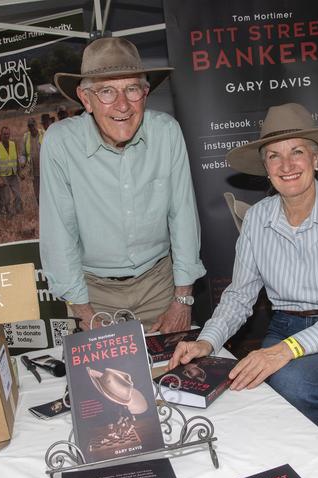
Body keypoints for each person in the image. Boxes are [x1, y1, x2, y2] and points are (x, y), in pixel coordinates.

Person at [169, 103, 318, 441]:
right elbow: (239, 296)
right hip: (286, 323)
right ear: (265, 167)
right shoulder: (257, 219)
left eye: (297, 151)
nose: (286, 165)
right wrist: (206, 341)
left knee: (294, 381)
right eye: (274, 156)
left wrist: (287, 350)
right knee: (247, 386)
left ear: (316, 159)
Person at [40, 37, 205, 332]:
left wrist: (183, 299)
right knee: (106, 378)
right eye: (106, 91)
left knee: (171, 375)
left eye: (131, 89)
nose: (122, 105)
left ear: (145, 93)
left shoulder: (166, 132)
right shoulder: (60, 142)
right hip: (92, 292)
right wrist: (82, 311)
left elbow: (183, 216)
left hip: (160, 286)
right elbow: (58, 233)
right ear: (85, 99)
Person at [0, 126, 23, 217]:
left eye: (7, 134)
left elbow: (16, 160)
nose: (6, 136)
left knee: (18, 196)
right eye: (4, 134)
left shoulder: (13, 144)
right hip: (4, 176)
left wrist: (20, 173)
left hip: (13, 174)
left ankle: (18, 213)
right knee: (7, 199)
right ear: (1, 135)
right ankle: (10, 215)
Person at [22, 117, 45, 203]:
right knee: (37, 191)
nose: (31, 128)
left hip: (44, 168)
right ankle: (40, 206)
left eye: (32, 125)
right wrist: (22, 162)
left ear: (36, 125)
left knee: (46, 189)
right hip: (33, 170)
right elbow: (23, 154)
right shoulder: (26, 137)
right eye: (30, 126)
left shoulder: (43, 134)